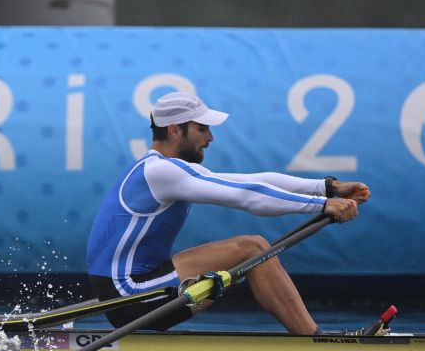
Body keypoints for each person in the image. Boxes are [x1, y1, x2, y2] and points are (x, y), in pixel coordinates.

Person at [85, 91, 369, 335]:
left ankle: (311, 337)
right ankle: (316, 340)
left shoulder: (168, 169)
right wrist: (321, 206)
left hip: (130, 290)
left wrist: (327, 188)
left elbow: (254, 180)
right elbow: (247, 195)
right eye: (202, 128)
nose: (210, 137)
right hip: (128, 296)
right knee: (254, 248)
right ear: (174, 129)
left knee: (255, 250)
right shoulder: (160, 171)